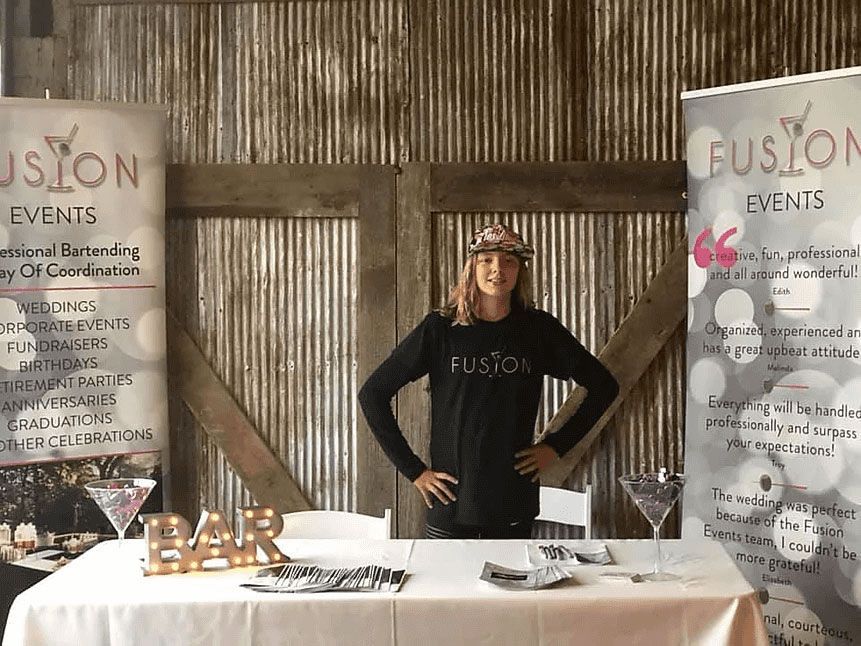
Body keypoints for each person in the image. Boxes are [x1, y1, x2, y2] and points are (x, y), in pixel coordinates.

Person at [358, 223, 619, 539]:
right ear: (472, 267)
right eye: (487, 260)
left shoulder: (538, 330)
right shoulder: (441, 329)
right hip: (449, 503)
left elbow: (605, 386)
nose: (498, 269)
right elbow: (372, 394)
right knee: (449, 589)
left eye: (509, 261)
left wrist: (556, 446)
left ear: (520, 270)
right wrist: (415, 471)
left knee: (512, 588)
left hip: (511, 503)